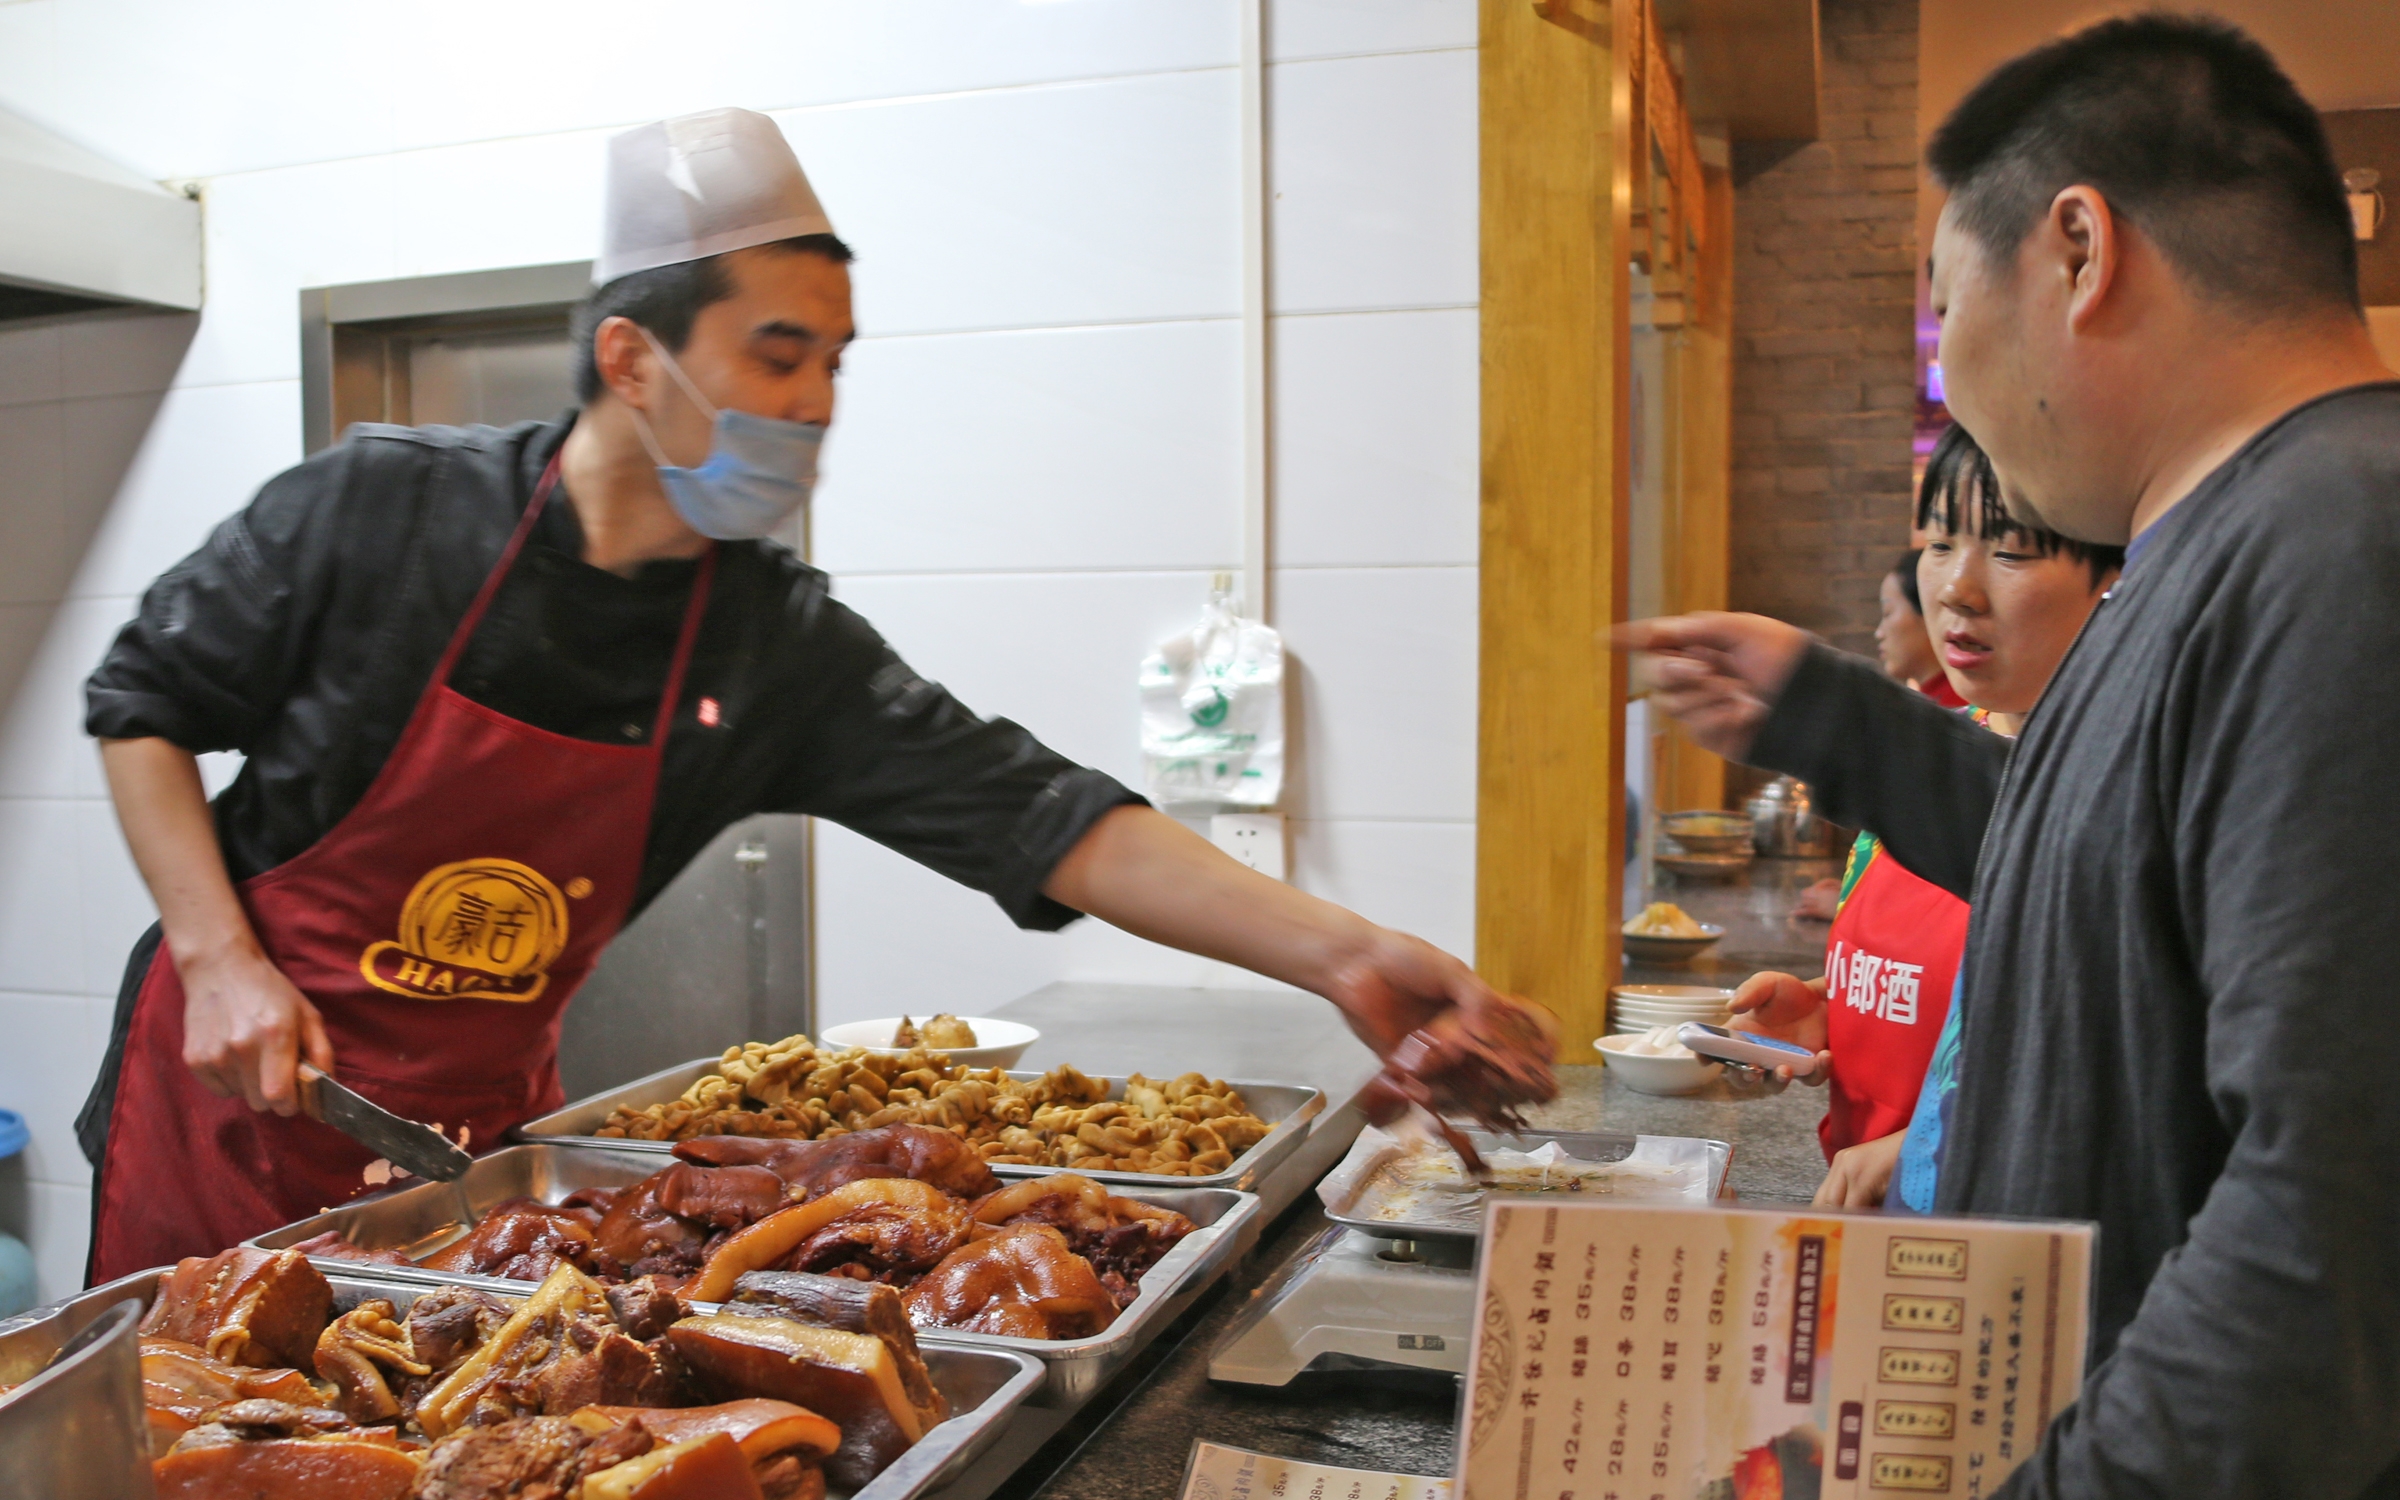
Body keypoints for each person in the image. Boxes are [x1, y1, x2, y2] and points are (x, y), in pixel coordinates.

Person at [77, 109, 1553, 1283]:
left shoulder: (767, 643)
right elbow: (138, 701)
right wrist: (219, 959)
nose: (818, 403)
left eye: (835, 361)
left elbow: (1051, 822)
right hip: (232, 1112)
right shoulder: (379, 514)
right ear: (630, 358)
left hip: (470, 1141)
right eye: (777, 355)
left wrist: (1344, 953)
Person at [1623, 15, 2400, 1495]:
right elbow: (2095, 860)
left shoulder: (2341, 545)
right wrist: (1829, 713)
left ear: (2078, 250)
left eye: (1943, 294)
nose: (1949, 360)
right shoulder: (2234, 541)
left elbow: (2333, 1214)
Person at [1732, 424, 2120, 1209]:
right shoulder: (1929, 761)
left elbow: (2124, 1064)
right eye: (1938, 545)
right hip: (1869, 1227)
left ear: (2113, 580)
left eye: (2010, 552)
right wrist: (1835, 1016)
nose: (1954, 589)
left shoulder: (2113, 802)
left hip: (1992, 1242)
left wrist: (1928, 1150)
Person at [1874, 549, 1966, 708]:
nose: (1879, 633)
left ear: (1928, 610)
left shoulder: (1965, 709)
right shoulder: (1926, 707)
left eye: (1887, 613)